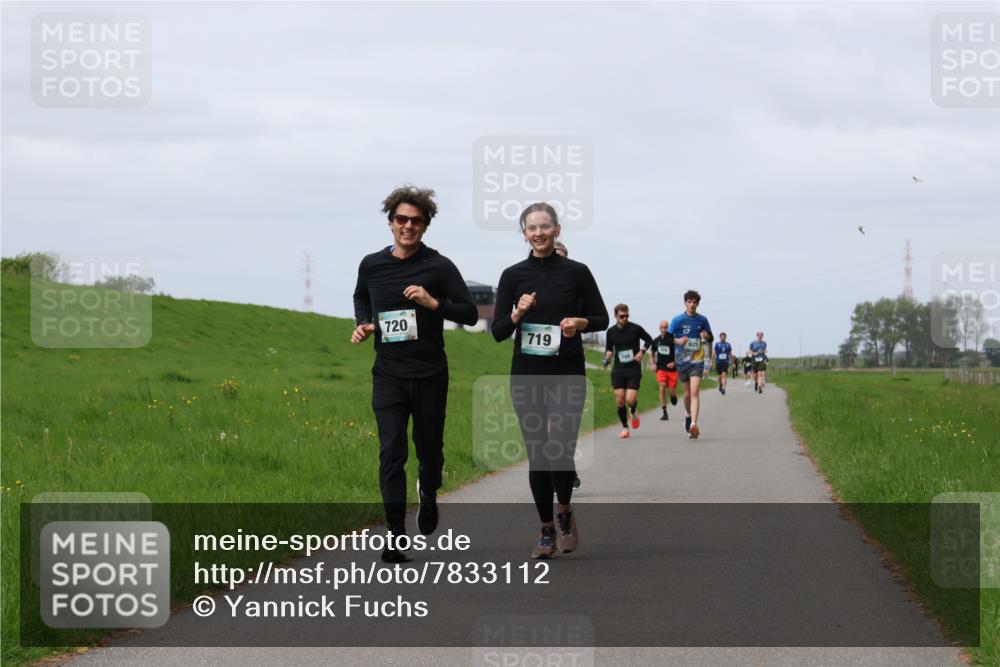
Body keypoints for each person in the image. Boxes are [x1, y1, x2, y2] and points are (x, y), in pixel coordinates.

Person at [352, 185, 478, 563]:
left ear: (425, 225)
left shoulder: (439, 267)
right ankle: (394, 535)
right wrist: (364, 323)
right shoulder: (372, 264)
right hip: (388, 375)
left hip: (429, 375)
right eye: (402, 219)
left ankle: (429, 492)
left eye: (416, 221)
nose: (408, 226)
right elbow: (361, 296)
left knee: (429, 453)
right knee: (391, 452)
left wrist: (433, 302)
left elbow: (470, 313)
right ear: (391, 223)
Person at [492, 202, 608, 559]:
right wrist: (518, 312)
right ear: (524, 233)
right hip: (527, 375)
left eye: (545, 226)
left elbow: (600, 317)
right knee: (538, 453)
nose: (539, 233)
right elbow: (498, 331)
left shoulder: (577, 272)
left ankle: (564, 512)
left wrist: (579, 323)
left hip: (567, 372)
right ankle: (545, 529)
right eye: (532, 228)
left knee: (559, 448)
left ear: (557, 230)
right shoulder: (512, 275)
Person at [553, 240, 581, 491]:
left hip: (569, 360)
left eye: (561, 255)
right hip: (541, 364)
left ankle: (567, 466)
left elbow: (593, 317)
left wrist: (577, 322)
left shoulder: (575, 285)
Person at [668, 290, 713, 439]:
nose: (692, 304)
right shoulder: (677, 320)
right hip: (681, 360)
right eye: (689, 302)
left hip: (697, 361)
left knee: (694, 393)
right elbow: (666, 338)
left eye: (695, 302)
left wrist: (707, 336)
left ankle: (693, 424)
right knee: (687, 394)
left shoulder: (703, 320)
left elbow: (711, 337)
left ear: (698, 304)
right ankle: (687, 415)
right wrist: (678, 341)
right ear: (685, 302)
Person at [604, 304, 654, 439]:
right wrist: (608, 356)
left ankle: (633, 409)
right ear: (616, 316)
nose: (625, 318)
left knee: (630, 399)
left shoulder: (635, 328)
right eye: (622, 316)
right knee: (620, 399)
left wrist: (642, 351)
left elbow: (649, 339)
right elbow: (609, 348)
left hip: (633, 369)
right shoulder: (611, 331)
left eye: (627, 316)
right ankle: (625, 427)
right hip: (619, 370)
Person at [649, 320, 678, 420]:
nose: (664, 329)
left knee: (672, 390)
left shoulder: (673, 339)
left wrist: (674, 362)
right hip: (661, 368)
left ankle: (673, 396)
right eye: (662, 327)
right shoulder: (656, 341)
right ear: (659, 328)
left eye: (666, 327)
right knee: (661, 387)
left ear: (668, 328)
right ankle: (664, 412)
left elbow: (680, 352)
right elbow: (651, 353)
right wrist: (652, 364)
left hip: (672, 370)